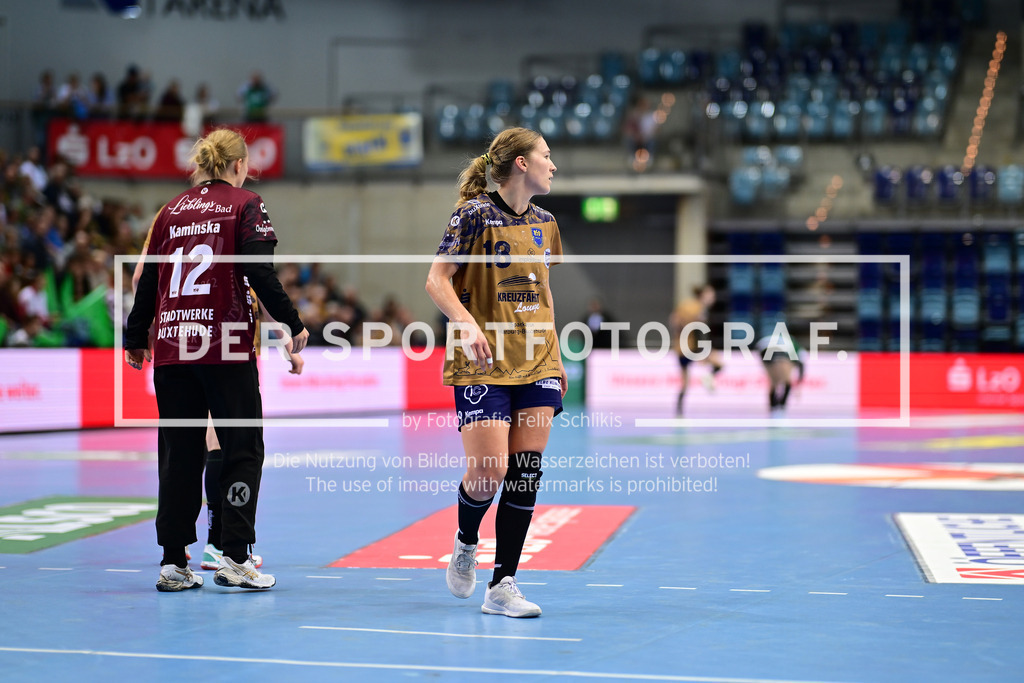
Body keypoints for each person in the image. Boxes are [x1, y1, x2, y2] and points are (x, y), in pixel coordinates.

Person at [124, 128, 308, 592]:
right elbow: (258, 272)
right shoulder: (246, 203)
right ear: (239, 164)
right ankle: (235, 557)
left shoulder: (170, 211)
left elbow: (147, 281)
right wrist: (293, 322)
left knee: (179, 455)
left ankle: (172, 562)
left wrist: (134, 337)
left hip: (171, 346)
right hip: (223, 344)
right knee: (242, 450)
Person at [426, 127, 566, 618]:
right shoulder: (473, 215)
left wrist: (558, 358)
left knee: (525, 472)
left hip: (537, 360)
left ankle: (503, 584)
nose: (553, 164)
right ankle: (466, 541)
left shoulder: (546, 222)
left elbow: (544, 293)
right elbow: (436, 279)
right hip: (483, 361)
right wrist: (464, 322)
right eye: (546, 156)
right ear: (522, 164)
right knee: (490, 471)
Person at [669, 283, 724, 416]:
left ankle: (679, 412)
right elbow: (699, 331)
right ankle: (708, 377)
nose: (713, 298)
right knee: (719, 364)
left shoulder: (686, 305)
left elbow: (674, 320)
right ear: (703, 295)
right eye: (711, 294)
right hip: (692, 347)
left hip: (680, 348)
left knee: (685, 383)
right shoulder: (699, 308)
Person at [756, 328, 805, 413]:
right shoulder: (794, 350)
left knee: (777, 381)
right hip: (770, 350)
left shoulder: (792, 349)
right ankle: (779, 405)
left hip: (766, 349)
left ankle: (778, 405)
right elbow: (801, 366)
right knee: (781, 381)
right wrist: (799, 382)